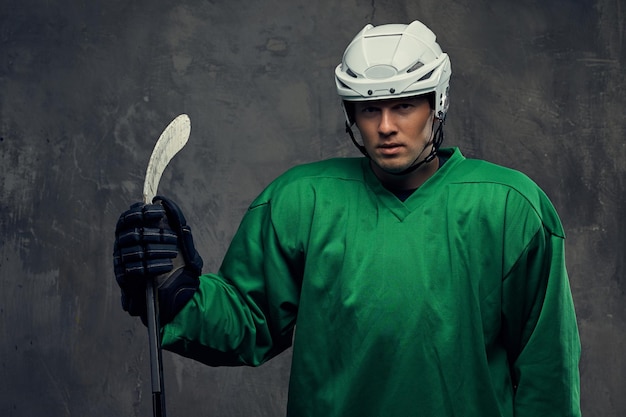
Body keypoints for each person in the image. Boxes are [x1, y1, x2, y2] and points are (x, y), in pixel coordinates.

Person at [113, 20, 581, 417]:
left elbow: (547, 370)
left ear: (436, 104)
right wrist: (174, 291)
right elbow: (247, 322)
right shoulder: (301, 199)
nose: (385, 126)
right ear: (351, 113)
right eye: (369, 108)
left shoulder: (511, 207)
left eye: (404, 105)